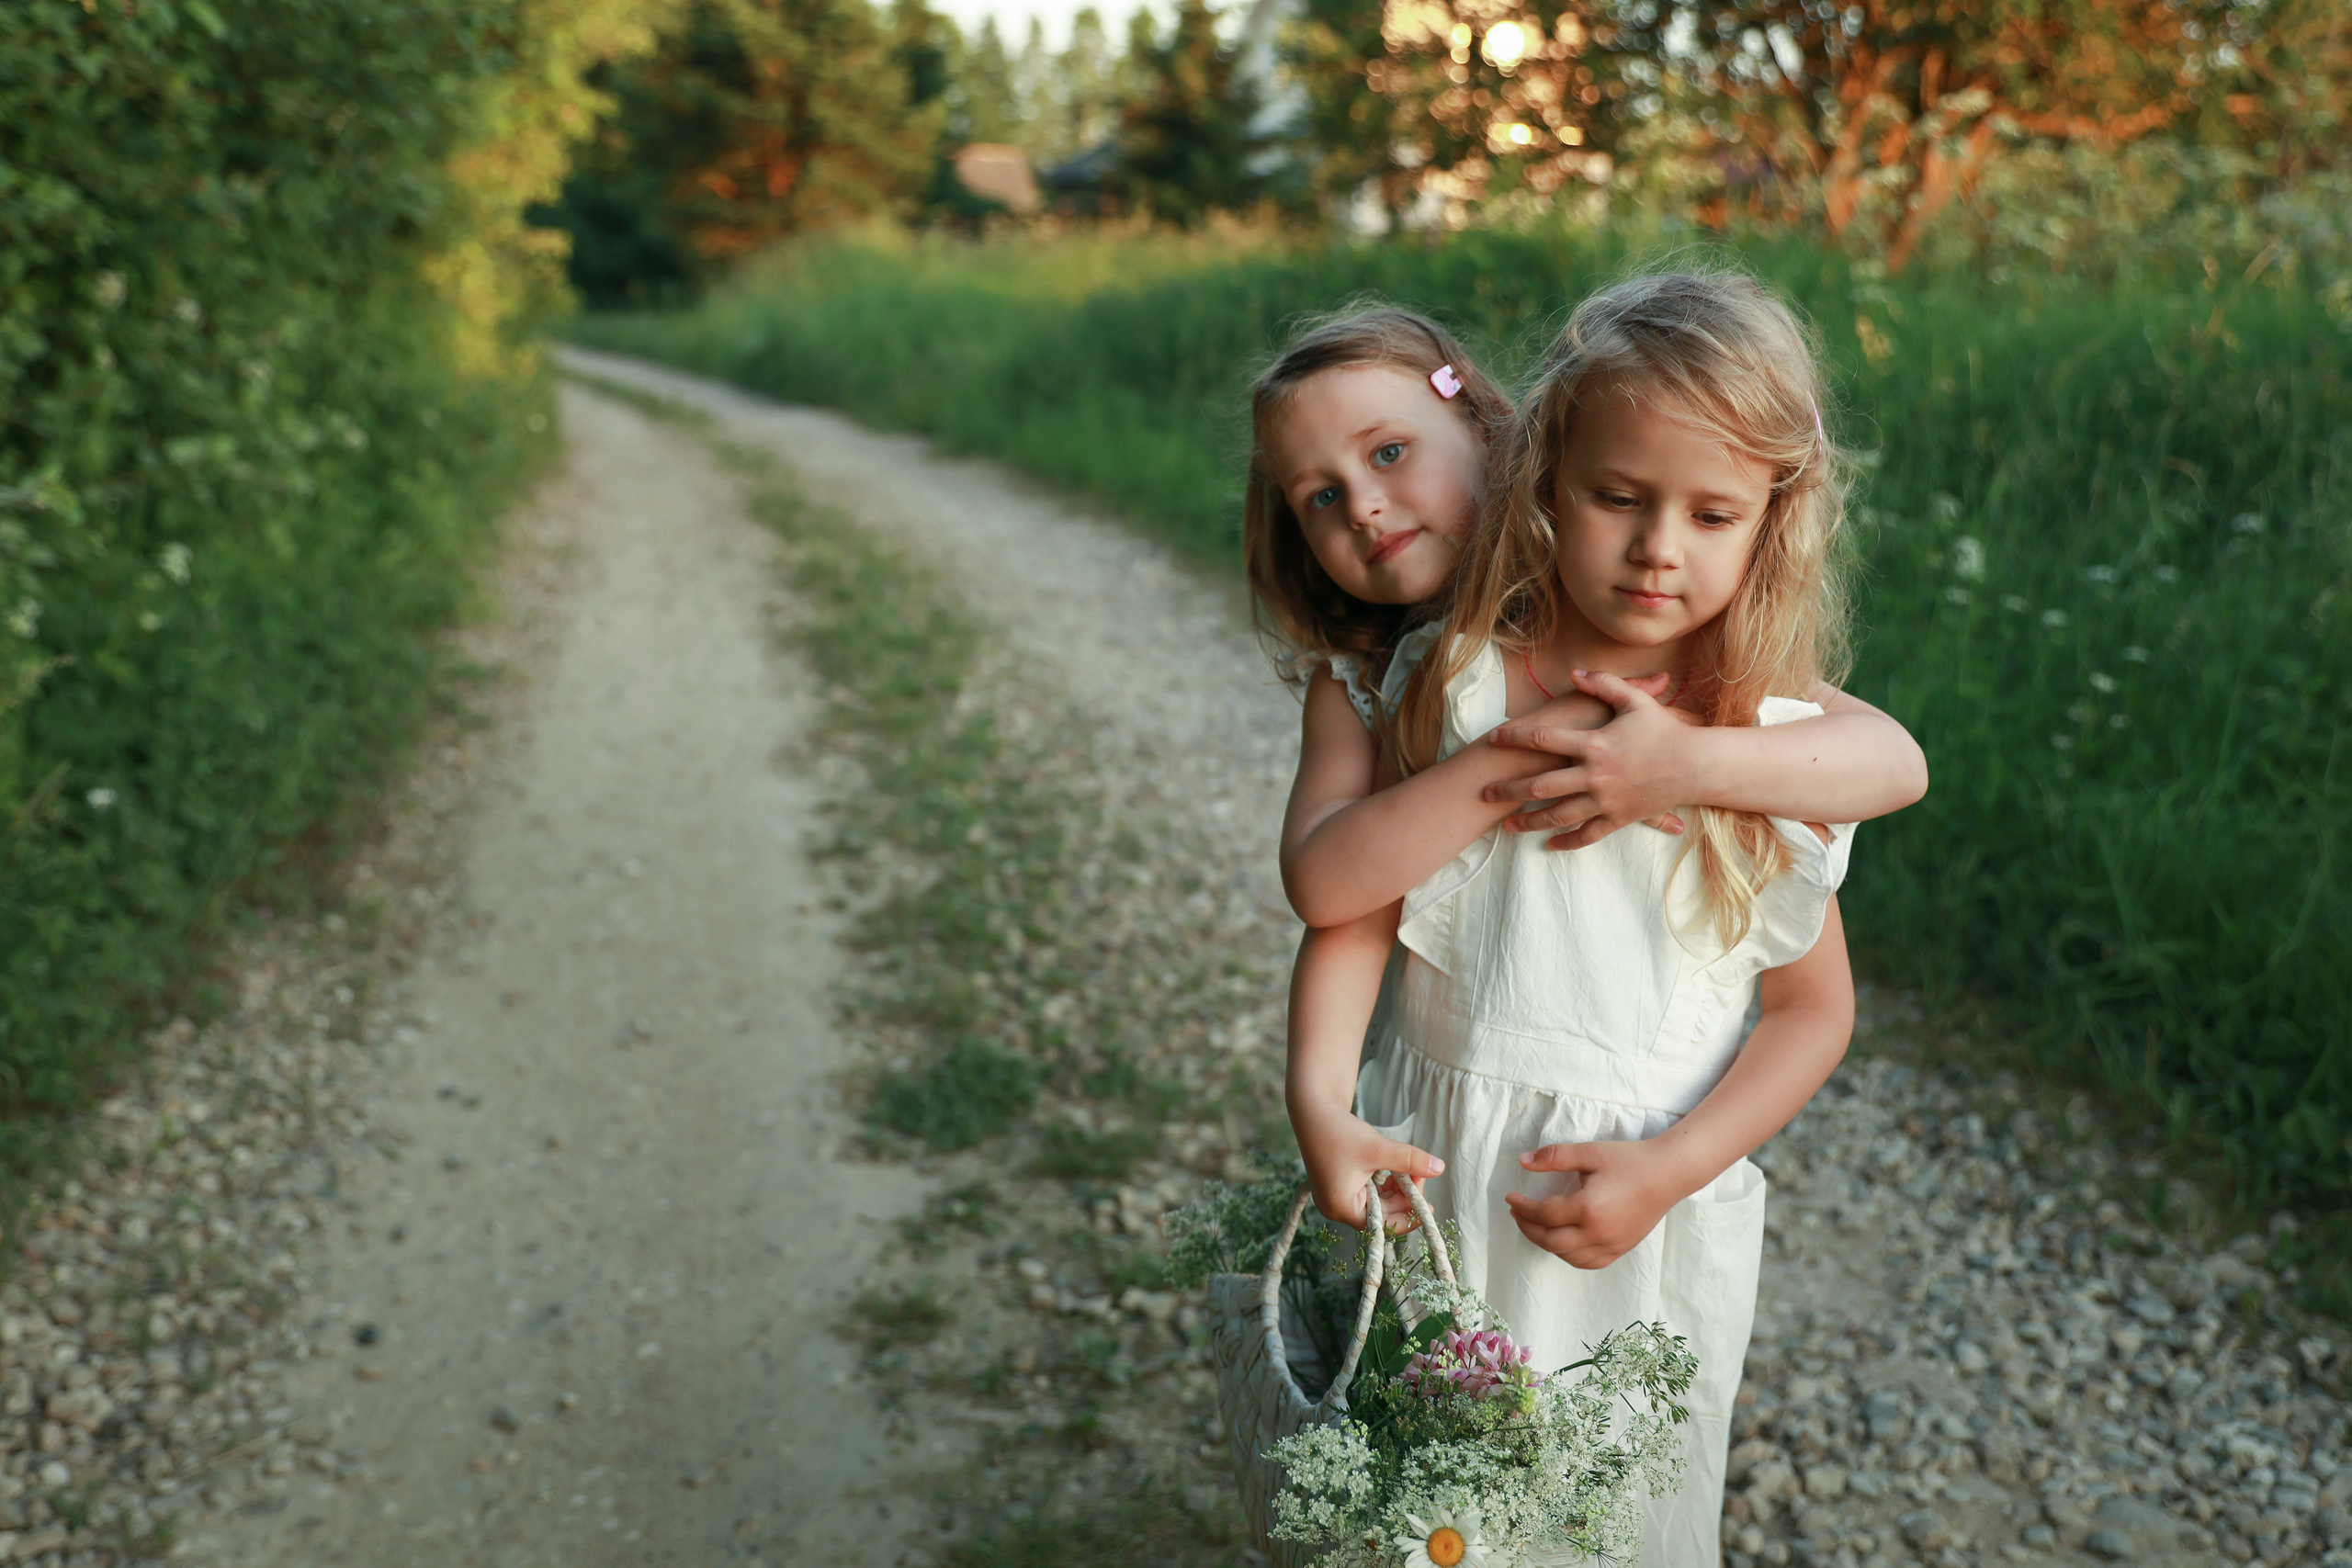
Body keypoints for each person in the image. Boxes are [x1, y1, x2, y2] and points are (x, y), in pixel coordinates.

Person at [1279, 268, 1900, 1564]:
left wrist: (1675, 1168)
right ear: (1547, 480)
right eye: (1619, 497)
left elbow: (1815, 1002)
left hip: (1637, 1205)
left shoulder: (1753, 731)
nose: (1659, 545)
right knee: (1416, 1517)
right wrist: (1321, 1105)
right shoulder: (1454, 677)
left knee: (1606, 1524)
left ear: (1770, 523)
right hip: (1439, 1178)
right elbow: (1348, 907)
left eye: (1712, 513)